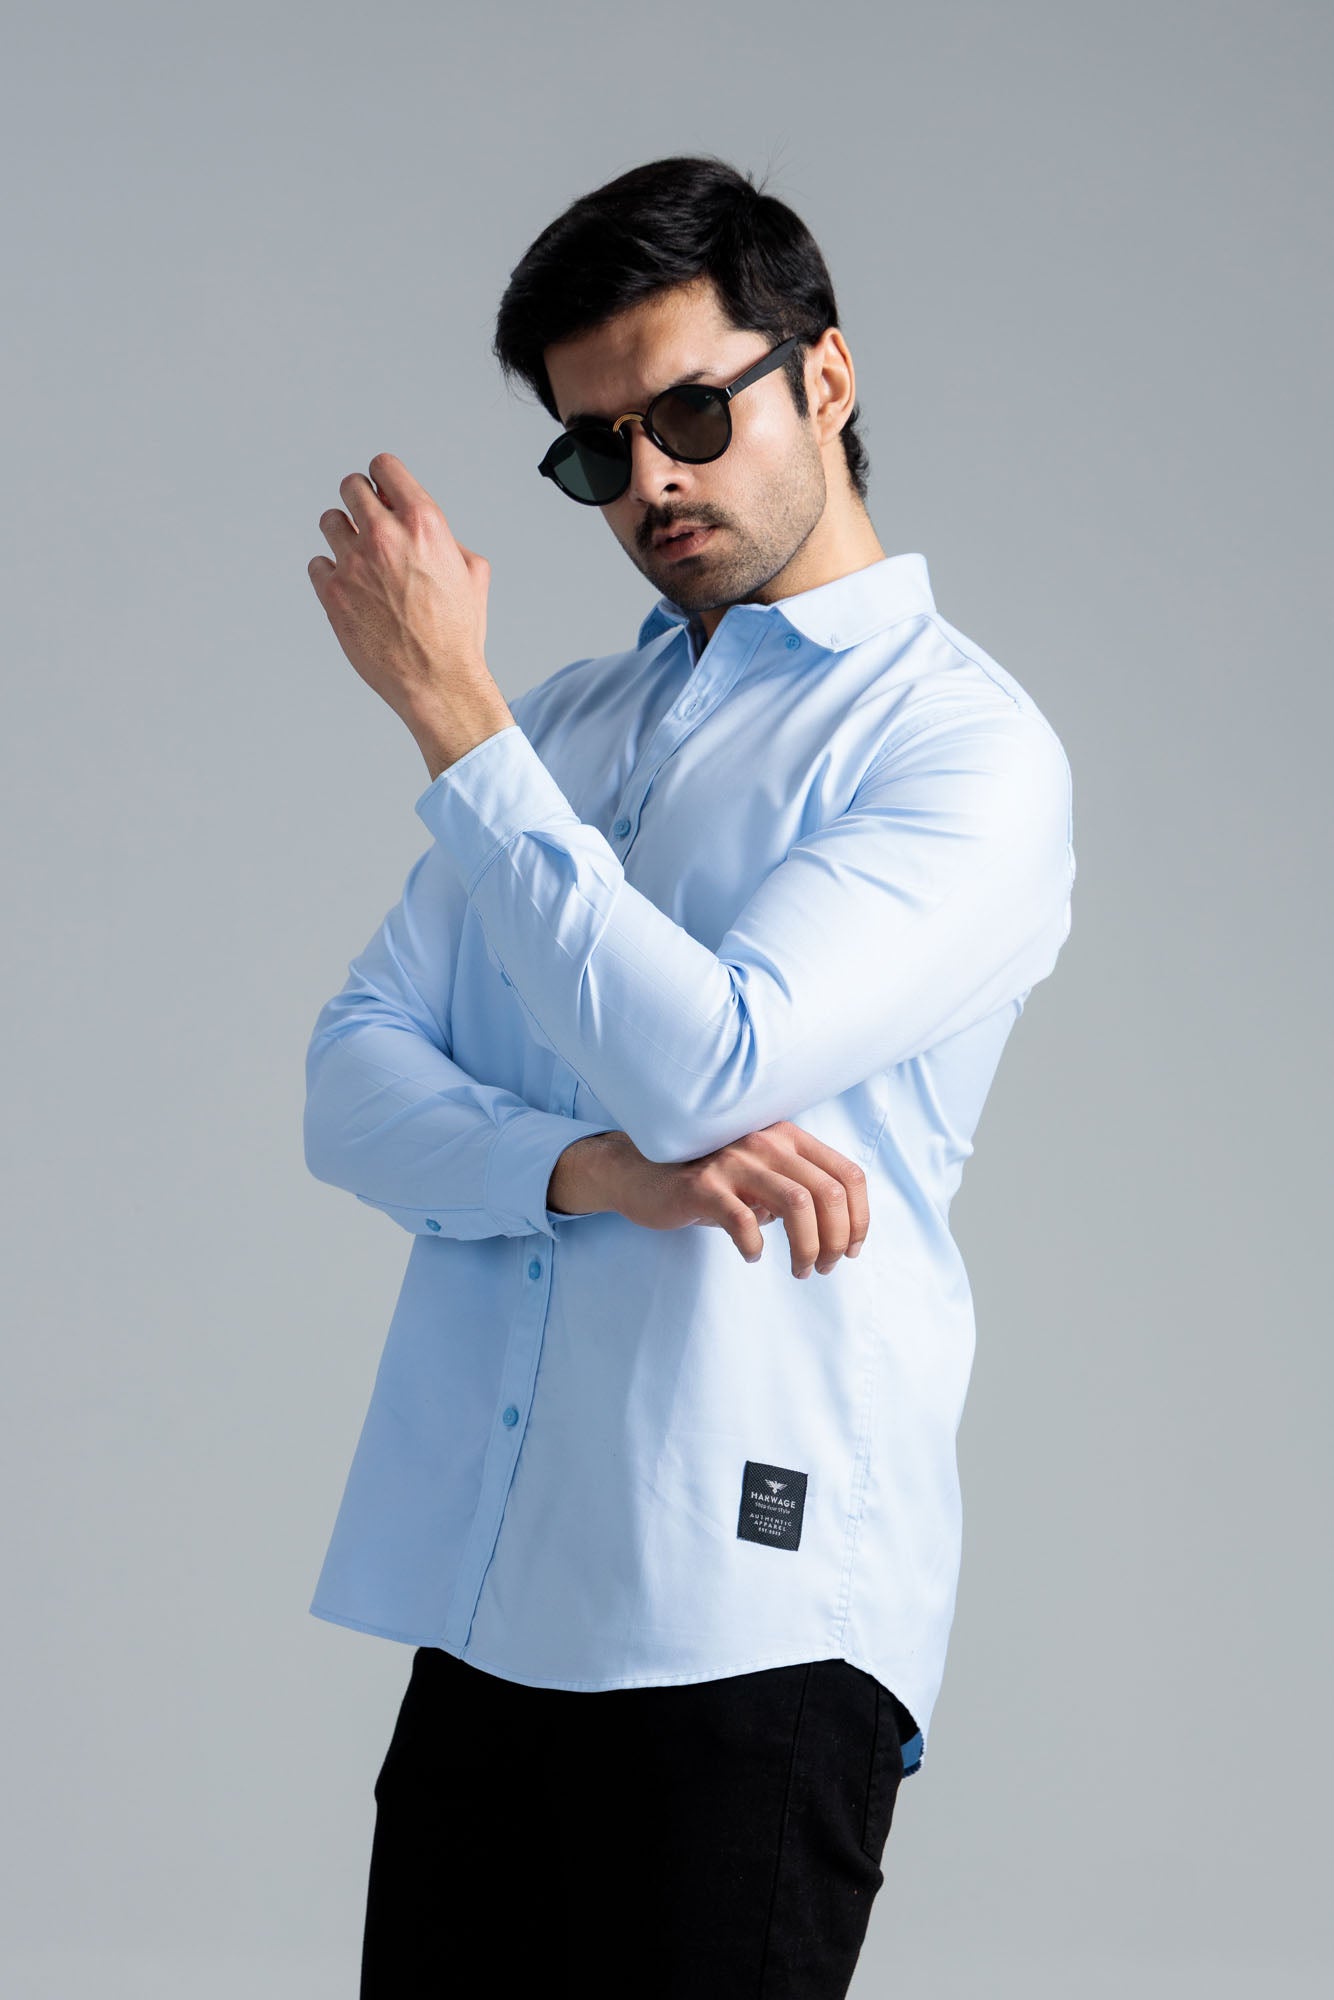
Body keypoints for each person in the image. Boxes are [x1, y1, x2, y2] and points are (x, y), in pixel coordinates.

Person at [304, 152, 1076, 1999]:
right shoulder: (566, 730)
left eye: (690, 413)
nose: (646, 478)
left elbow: (714, 1057)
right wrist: (590, 1168)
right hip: (492, 1605)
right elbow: (349, 1081)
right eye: (595, 449)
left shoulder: (958, 749)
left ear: (825, 375)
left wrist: (451, 716)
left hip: (751, 1619)